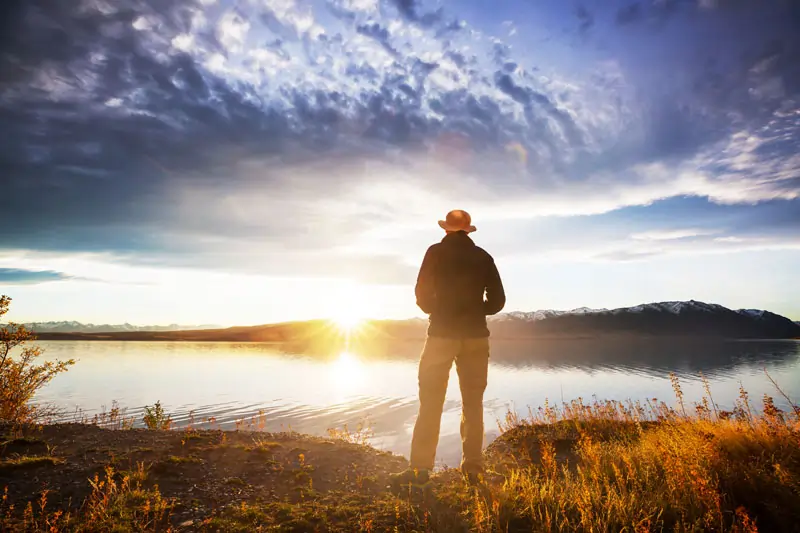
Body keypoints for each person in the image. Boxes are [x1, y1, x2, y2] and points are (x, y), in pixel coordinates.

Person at [391, 209, 506, 487]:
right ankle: (474, 471)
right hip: (476, 337)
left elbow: (421, 293)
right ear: (467, 230)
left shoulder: (435, 252)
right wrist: (478, 310)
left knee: (430, 402)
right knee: (473, 404)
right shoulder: (483, 256)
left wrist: (437, 310)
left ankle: (420, 470)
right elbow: (498, 300)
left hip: (441, 334)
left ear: (446, 229)